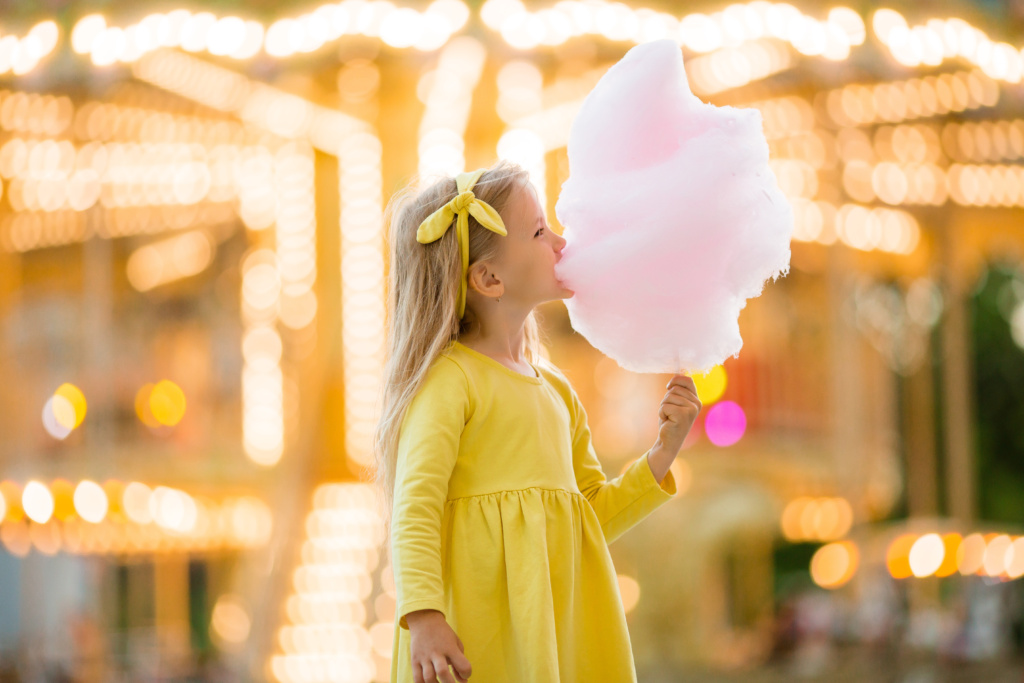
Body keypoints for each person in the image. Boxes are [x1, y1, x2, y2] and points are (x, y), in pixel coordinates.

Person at [373, 160, 702, 683]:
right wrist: (424, 617)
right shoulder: (451, 382)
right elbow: (415, 507)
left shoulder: (557, 392)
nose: (560, 241)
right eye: (538, 231)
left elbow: (589, 516)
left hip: (557, 625)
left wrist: (665, 448)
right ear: (489, 277)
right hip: (478, 629)